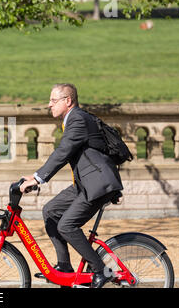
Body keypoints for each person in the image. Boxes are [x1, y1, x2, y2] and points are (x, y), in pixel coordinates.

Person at [20, 83, 123, 288]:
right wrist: (35, 176)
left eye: (53, 100)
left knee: (66, 225)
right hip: (85, 185)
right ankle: (65, 266)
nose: (49, 105)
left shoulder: (77, 119)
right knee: (50, 211)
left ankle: (100, 270)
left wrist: (38, 178)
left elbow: (63, 151)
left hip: (97, 185)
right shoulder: (74, 119)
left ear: (68, 101)